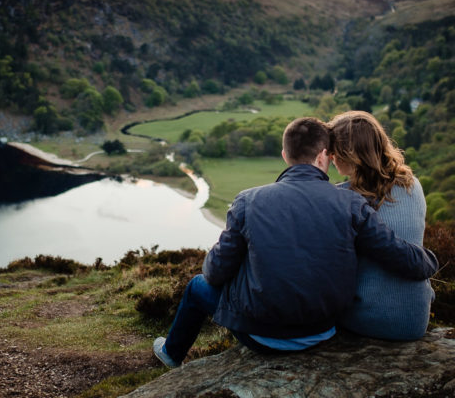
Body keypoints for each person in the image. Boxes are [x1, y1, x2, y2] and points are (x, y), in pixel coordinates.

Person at [153, 117, 439, 368]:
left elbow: (215, 273)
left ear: (283, 154)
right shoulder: (352, 203)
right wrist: (431, 261)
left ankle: (170, 354)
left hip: (259, 334)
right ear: (323, 156)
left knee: (196, 286)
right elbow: (394, 252)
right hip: (322, 331)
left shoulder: (248, 200)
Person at [329, 110, 435, 340]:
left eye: (334, 151)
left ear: (348, 155)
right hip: (416, 320)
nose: (331, 158)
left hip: (370, 320)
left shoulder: (343, 197)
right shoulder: (412, 185)